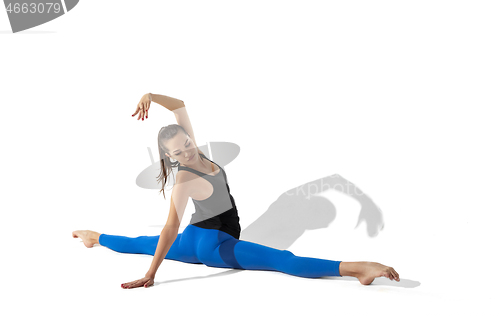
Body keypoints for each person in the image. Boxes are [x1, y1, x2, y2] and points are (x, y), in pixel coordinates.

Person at [72, 93, 400, 289]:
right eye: (178, 153)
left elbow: (179, 105)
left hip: (192, 241)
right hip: (214, 246)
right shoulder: (183, 180)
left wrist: (151, 95)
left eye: (187, 144)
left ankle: (94, 237)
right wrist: (150, 275)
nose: (186, 152)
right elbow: (169, 228)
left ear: (190, 138)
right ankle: (357, 269)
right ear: (170, 159)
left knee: (140, 243)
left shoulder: (195, 151)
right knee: (282, 259)